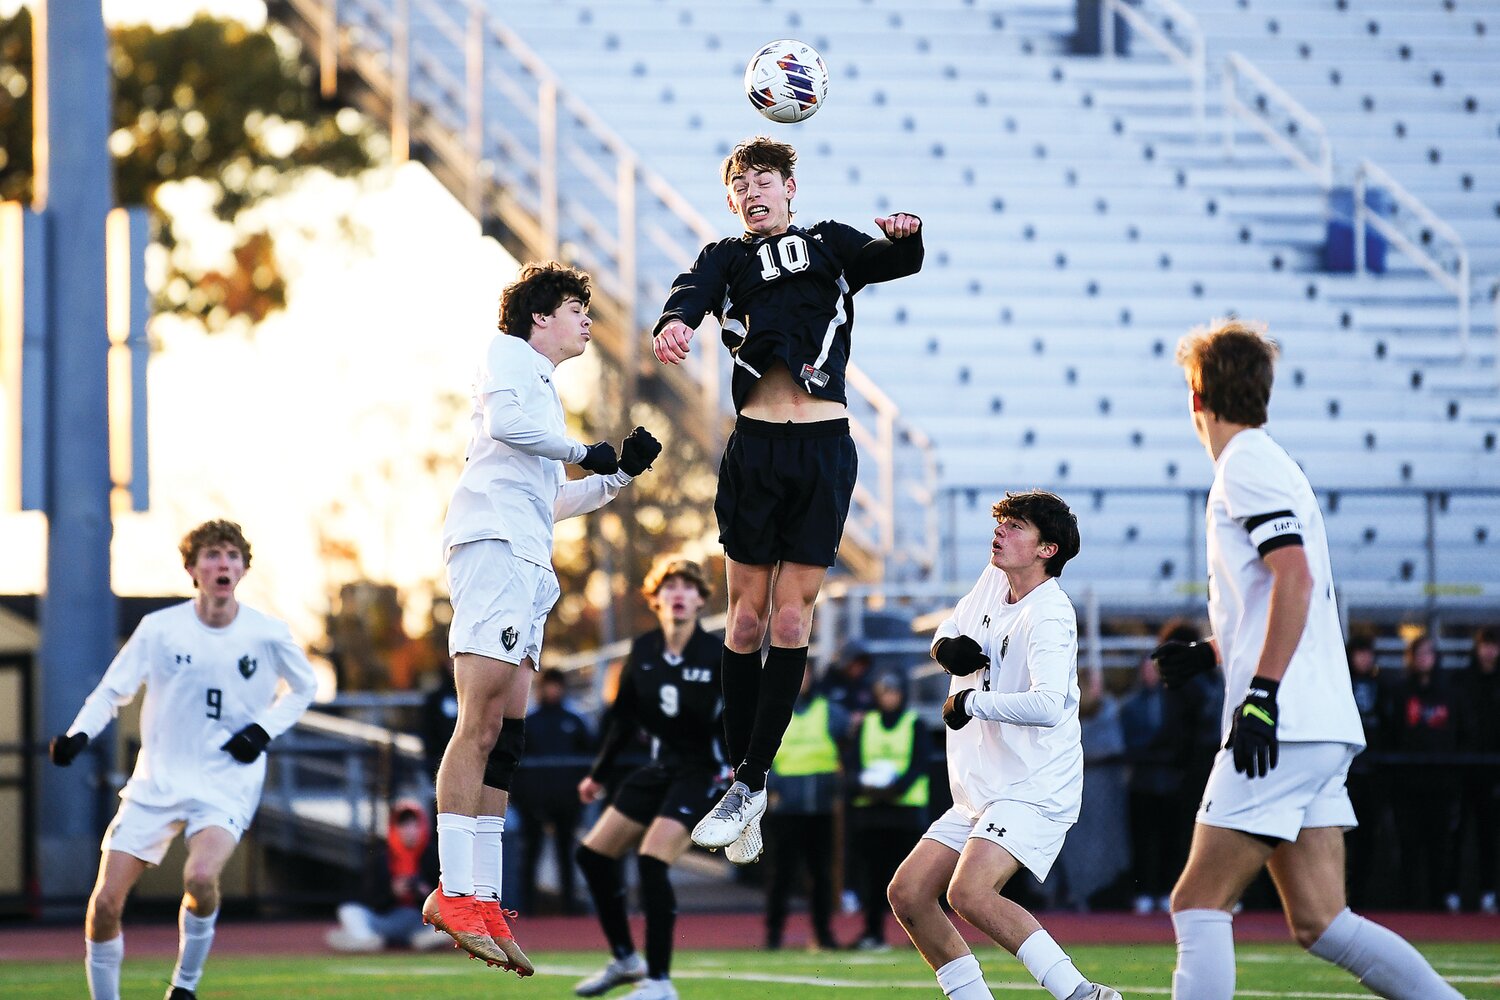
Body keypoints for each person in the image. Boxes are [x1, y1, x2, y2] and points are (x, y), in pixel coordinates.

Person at [1153, 319, 1463, 999]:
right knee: (1323, 921)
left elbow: (1292, 578)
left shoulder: (1246, 465)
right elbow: (1285, 594)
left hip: (1281, 724)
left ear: (1196, 395)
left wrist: (1259, 694)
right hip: (1316, 723)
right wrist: (1213, 652)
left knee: (1197, 902)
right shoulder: (1272, 461)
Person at [652, 135, 924, 862]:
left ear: (791, 188)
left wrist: (907, 236)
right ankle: (744, 788)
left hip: (823, 449)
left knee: (792, 616)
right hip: (756, 449)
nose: (752, 190)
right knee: (743, 621)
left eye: (764, 178)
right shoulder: (727, 256)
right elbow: (692, 293)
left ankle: (748, 780)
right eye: (740, 182)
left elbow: (889, 261)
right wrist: (675, 323)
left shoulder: (830, 243)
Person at [428, 262, 663, 974]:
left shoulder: (542, 394)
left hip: (528, 560)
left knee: (507, 736)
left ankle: (487, 897)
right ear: (539, 318)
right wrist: (580, 450)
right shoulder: (509, 356)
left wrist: (618, 474)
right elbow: (510, 426)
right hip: (493, 548)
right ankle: (454, 891)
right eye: (574, 308)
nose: (586, 320)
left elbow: (549, 501)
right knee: (477, 722)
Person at [47, 519, 318, 1000]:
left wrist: (262, 730)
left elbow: (305, 688)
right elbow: (113, 690)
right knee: (106, 903)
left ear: (243, 568)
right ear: (192, 568)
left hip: (225, 781)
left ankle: (184, 986)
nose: (223, 564)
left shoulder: (267, 632)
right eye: (212, 555)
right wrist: (78, 734)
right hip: (156, 782)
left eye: (232, 556)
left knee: (199, 877)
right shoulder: (159, 629)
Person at [887, 489, 1121, 1000]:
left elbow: (1050, 704)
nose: (1000, 531)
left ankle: (1082, 994)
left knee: (968, 892)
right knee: (907, 894)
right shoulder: (995, 578)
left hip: (1034, 788)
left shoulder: (1050, 615)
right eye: (1002, 522)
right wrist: (945, 647)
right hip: (982, 790)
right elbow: (952, 625)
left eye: (1015, 526)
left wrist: (973, 703)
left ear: (1047, 550)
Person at [572, 556, 724, 1000]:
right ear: (654, 599)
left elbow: (744, 717)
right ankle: (625, 958)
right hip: (660, 768)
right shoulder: (642, 651)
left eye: (688, 586)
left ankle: (660, 982)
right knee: (593, 857)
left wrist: (744, 768)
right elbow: (622, 720)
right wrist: (597, 776)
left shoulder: (719, 653)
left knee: (651, 862)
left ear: (700, 599)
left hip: (703, 772)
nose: (678, 593)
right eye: (669, 586)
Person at [763, 661, 847, 953]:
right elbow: (762, 756)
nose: (803, 679)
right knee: (781, 876)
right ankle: (773, 935)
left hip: (820, 808)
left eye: (807, 673)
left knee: (821, 875)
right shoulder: (774, 713)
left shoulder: (830, 712)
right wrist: (772, 790)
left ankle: (822, 935)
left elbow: (846, 746)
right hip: (786, 808)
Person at [846, 671, 928, 951]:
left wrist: (896, 789)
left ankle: (918, 936)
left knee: (911, 880)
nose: (889, 698)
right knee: (873, 878)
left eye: (893, 692)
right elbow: (854, 762)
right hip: (872, 812)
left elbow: (919, 763)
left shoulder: (913, 723)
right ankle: (873, 933)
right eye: (884, 692)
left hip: (905, 812)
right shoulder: (866, 724)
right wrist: (866, 787)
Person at [1389, 632, 1462, 911]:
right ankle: (1408, 905)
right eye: (1419, 654)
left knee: (1439, 847)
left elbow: (1461, 733)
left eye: (1429, 654)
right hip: (1408, 783)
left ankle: (1438, 904)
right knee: (1409, 846)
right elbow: (1392, 731)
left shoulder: (1449, 694)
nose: (1424, 660)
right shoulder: (1400, 692)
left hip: (1441, 783)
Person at [512, 667, 594, 914]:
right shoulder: (530, 722)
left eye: (557, 685)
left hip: (566, 801)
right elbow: (517, 761)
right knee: (531, 855)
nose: (553, 690)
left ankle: (568, 909)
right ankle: (526, 910)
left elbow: (589, 757)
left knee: (566, 856)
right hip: (534, 803)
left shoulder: (575, 721)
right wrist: (522, 798)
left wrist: (580, 796)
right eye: (548, 685)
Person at [326, 799, 447, 953]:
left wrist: (424, 894)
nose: (409, 830)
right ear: (394, 828)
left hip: (419, 921)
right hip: (385, 921)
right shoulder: (381, 858)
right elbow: (369, 899)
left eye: (414, 824)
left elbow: (445, 895)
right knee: (349, 910)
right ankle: (365, 939)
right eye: (404, 825)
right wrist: (392, 893)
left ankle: (424, 939)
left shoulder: (433, 856)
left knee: (447, 913)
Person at [1343, 631, 1392, 909]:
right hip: (1346, 774)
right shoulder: (1341, 683)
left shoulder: (1381, 686)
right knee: (1341, 839)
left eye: (1367, 653)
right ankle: (1341, 897)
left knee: (1367, 839)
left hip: (1372, 773)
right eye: (1360, 653)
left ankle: (1359, 896)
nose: (1364, 659)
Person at [1459, 626, 1500, 914]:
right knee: (1456, 834)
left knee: (1490, 835)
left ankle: (1489, 892)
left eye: (1493, 645)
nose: (1489, 651)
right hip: (1462, 769)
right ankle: (1449, 893)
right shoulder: (1463, 680)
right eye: (1486, 645)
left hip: (1493, 771)